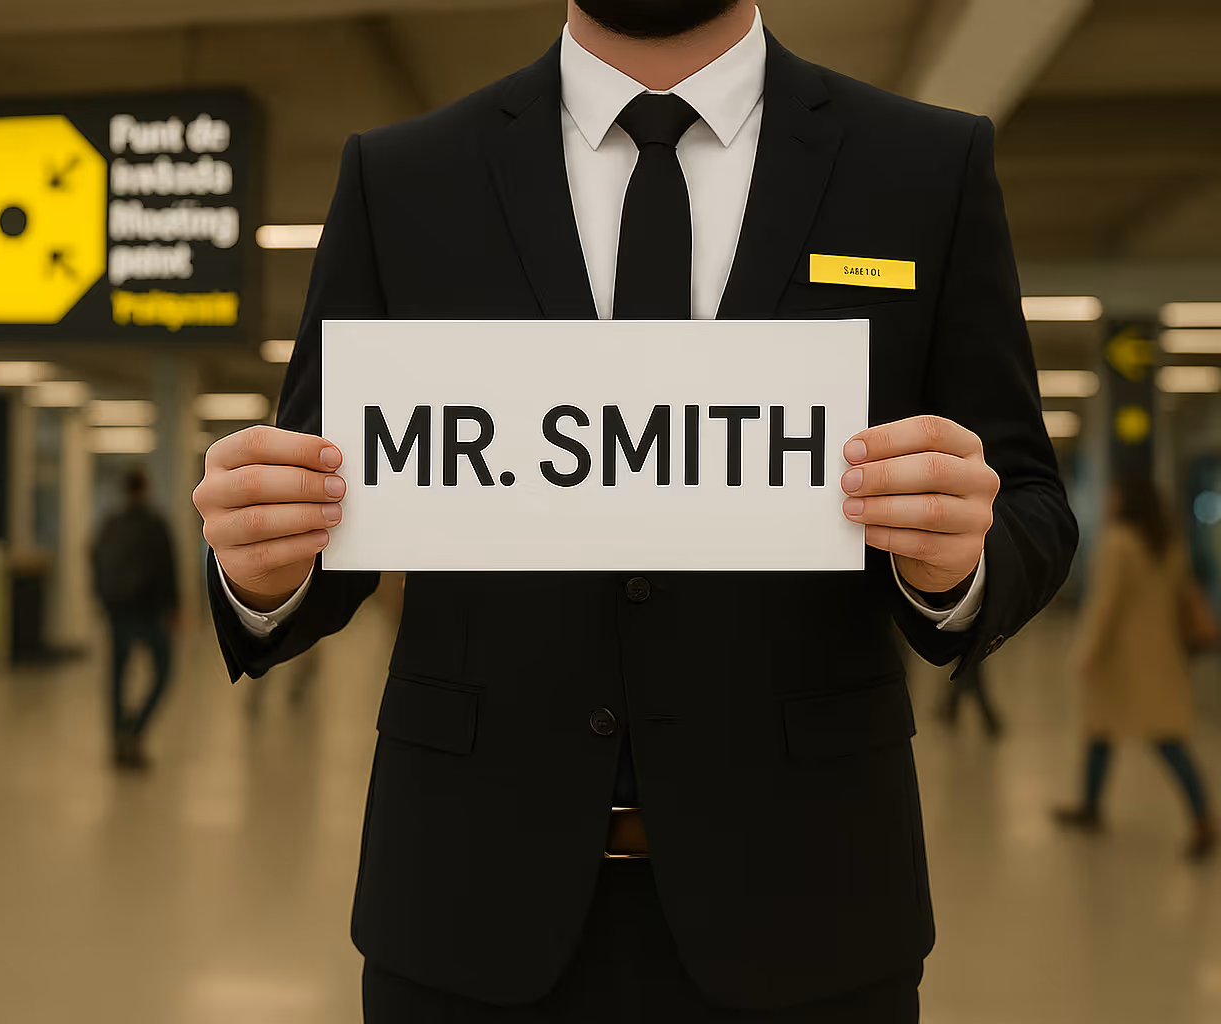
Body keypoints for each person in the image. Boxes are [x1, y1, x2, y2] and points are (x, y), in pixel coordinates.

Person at [193, 1, 1078, 1020]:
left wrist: (960, 561)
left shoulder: (924, 167)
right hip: (468, 907)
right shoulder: (402, 180)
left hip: (811, 906)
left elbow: (1033, 502)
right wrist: (266, 566)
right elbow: (337, 506)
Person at [1055, 476, 1216, 862]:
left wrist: (1087, 652)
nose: (1109, 497)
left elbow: (1105, 605)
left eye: (1113, 491)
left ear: (1126, 498)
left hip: (1121, 661)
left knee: (1128, 733)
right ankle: (1097, 806)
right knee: (1134, 734)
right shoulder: (1168, 542)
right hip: (1162, 659)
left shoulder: (1119, 543)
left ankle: (1204, 822)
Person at [92, 466, 179, 771]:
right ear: (146, 488)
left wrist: (102, 603)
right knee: (164, 673)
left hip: (118, 613)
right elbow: (168, 569)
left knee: (117, 678)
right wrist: (174, 608)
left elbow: (94, 562)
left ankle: (119, 738)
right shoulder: (156, 524)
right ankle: (135, 729)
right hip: (150, 613)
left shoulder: (110, 524)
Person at [939, 656, 1003, 738]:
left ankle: (992, 724)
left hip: (968, 659)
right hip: (969, 658)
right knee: (966, 687)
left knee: (965, 685)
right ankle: (992, 724)